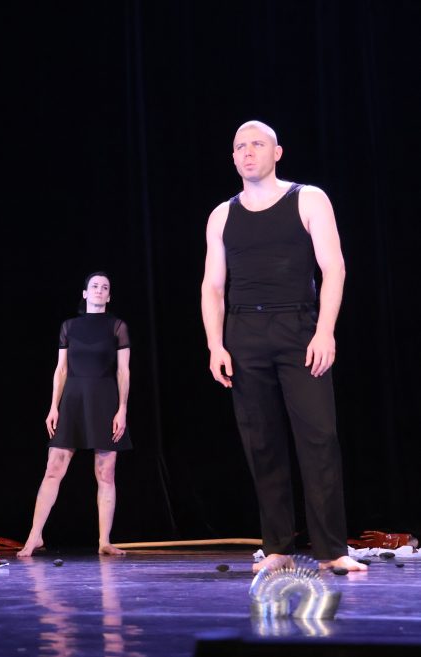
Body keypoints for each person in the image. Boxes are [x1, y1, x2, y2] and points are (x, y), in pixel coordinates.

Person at [200, 120, 364, 572]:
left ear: (277, 152)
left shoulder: (308, 198)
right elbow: (213, 286)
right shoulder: (222, 215)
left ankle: (331, 551)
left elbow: (334, 269)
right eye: (240, 146)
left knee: (319, 438)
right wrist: (215, 344)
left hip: (299, 328)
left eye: (258, 144)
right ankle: (277, 548)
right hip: (244, 332)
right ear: (233, 158)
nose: (248, 151)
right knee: (262, 443)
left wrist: (325, 330)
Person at [17, 272, 132, 557]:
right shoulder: (69, 326)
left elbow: (123, 371)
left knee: (105, 472)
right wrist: (53, 406)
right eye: (94, 286)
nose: (99, 290)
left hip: (105, 400)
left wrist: (122, 409)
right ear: (85, 293)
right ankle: (34, 536)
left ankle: (104, 541)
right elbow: (61, 370)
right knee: (53, 468)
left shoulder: (117, 326)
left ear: (109, 295)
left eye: (105, 287)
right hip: (73, 400)